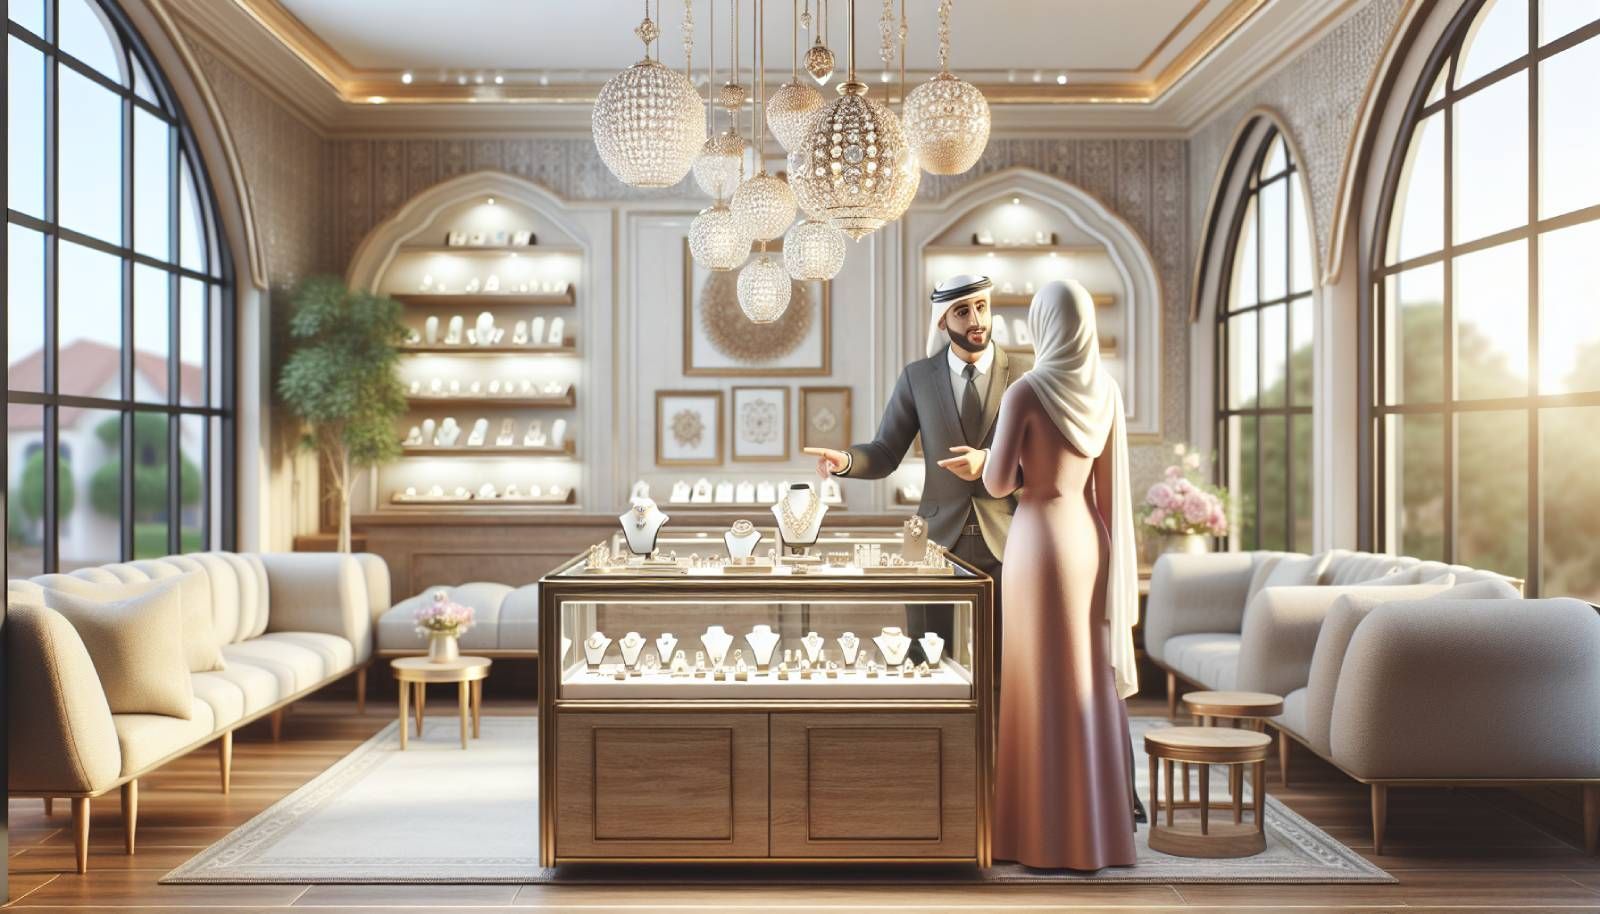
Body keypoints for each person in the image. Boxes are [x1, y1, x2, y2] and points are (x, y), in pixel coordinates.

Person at [979, 279, 1139, 870]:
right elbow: (1104, 492)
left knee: (1036, 682)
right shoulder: (1106, 391)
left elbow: (997, 483)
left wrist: (1013, 464)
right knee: (1085, 680)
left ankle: (1035, 839)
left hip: (1037, 539)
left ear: (1044, 325)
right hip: (1085, 537)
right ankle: (1096, 836)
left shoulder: (1026, 390)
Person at [804, 274, 1027, 661]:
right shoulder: (918, 378)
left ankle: (1007, 725)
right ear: (943, 322)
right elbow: (887, 451)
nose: (976, 320)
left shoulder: (1025, 372)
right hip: (937, 542)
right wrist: (848, 462)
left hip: (1010, 534)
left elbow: (1042, 457)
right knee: (928, 656)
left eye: (981, 307)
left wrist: (989, 464)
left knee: (1010, 660)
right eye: (962, 311)